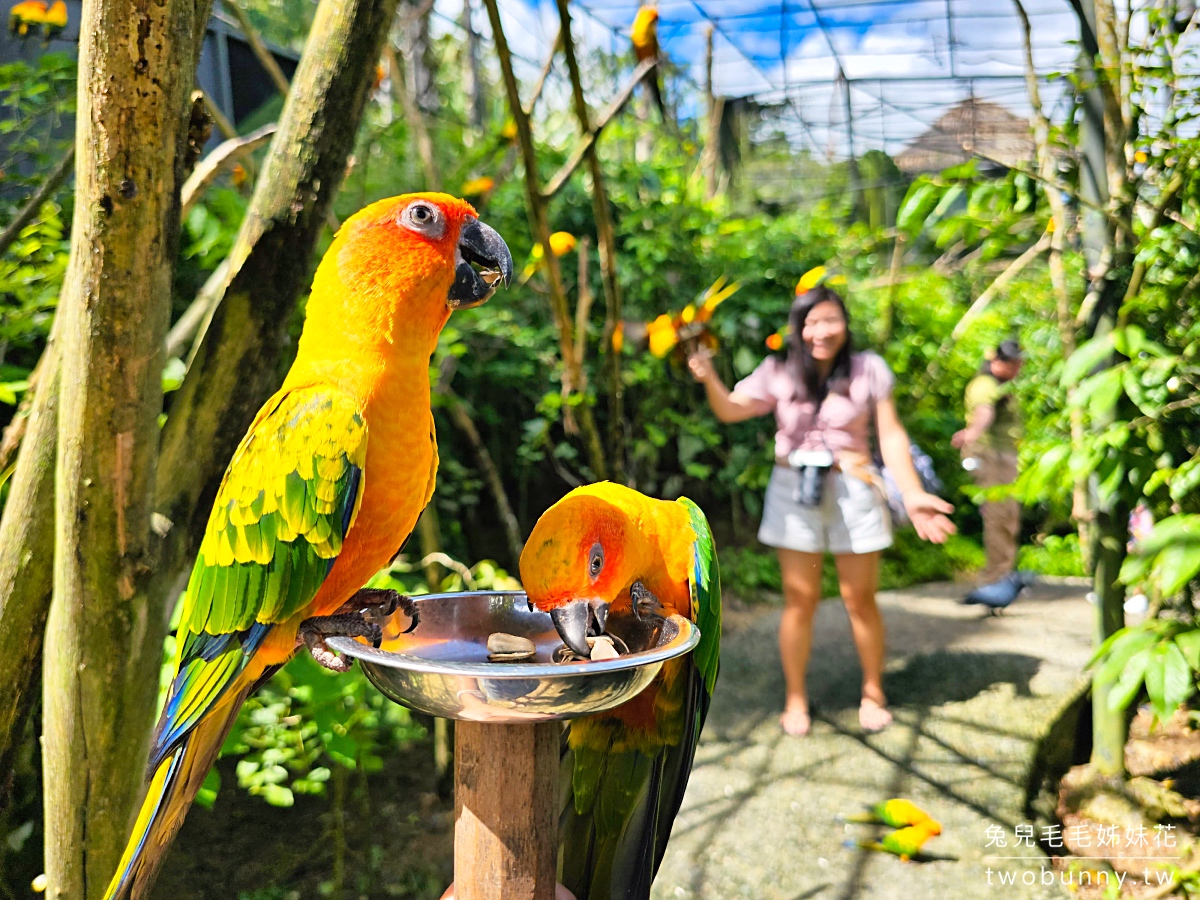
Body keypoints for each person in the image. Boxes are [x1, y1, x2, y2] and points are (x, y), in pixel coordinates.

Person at [687, 282, 956, 736]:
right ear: (798, 327)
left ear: (845, 324)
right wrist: (708, 377)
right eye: (812, 321)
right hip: (794, 491)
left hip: (853, 487)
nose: (822, 330)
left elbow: (890, 436)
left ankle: (874, 692)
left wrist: (911, 494)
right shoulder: (778, 370)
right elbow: (732, 410)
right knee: (800, 601)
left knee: (860, 600)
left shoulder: (869, 370)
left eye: (831, 319)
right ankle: (796, 698)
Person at [951, 340, 1024, 588]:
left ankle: (1004, 573)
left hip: (1003, 457)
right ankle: (995, 578)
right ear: (996, 362)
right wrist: (972, 433)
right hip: (989, 455)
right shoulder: (984, 384)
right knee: (998, 514)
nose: (1018, 368)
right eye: (1013, 363)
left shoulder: (1004, 386)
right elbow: (984, 412)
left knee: (1008, 515)